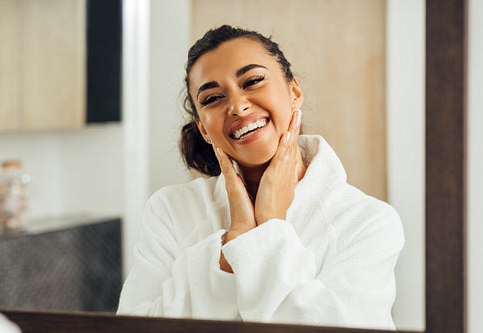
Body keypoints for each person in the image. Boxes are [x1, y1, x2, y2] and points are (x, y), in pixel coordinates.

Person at [117, 25, 404, 330]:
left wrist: (269, 225)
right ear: (203, 127)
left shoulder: (368, 221)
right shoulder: (170, 211)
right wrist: (233, 243)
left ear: (294, 93)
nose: (237, 106)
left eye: (252, 81)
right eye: (213, 98)